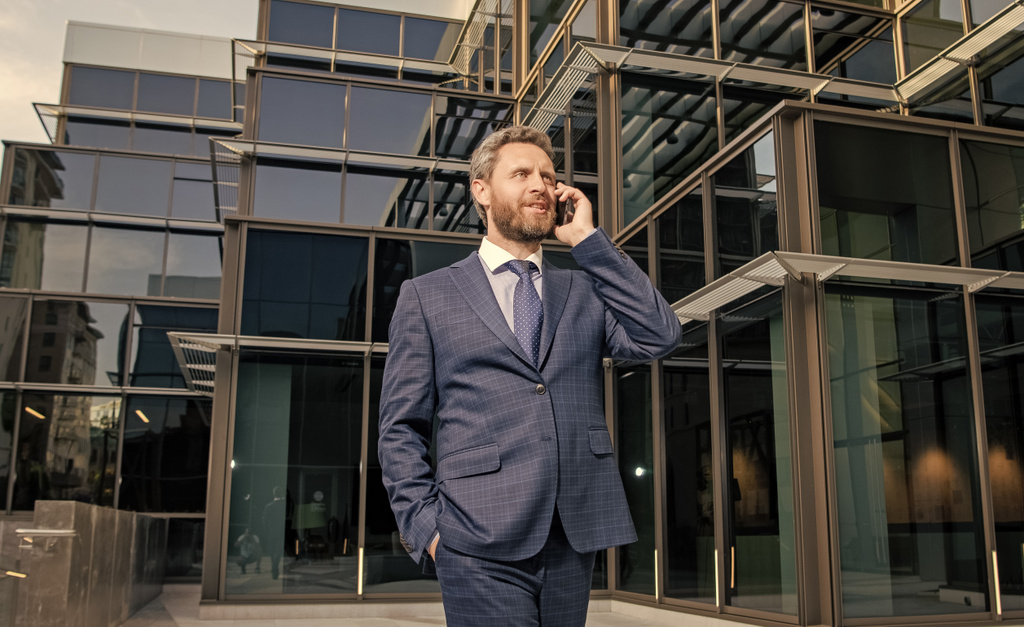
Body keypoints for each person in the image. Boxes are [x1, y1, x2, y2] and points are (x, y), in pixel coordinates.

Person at [378, 125, 681, 626]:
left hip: (571, 534)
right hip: (474, 540)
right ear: (482, 190)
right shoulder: (426, 296)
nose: (540, 184)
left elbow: (659, 335)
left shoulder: (584, 289)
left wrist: (588, 240)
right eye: (521, 173)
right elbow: (400, 429)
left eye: (548, 175)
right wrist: (429, 528)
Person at [262, 486, 288, 580]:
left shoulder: (269, 506)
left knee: (272, 552)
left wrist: (267, 532)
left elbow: (264, 521)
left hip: (271, 532)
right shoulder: (284, 505)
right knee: (278, 551)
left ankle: (274, 570)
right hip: (282, 531)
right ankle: (274, 569)